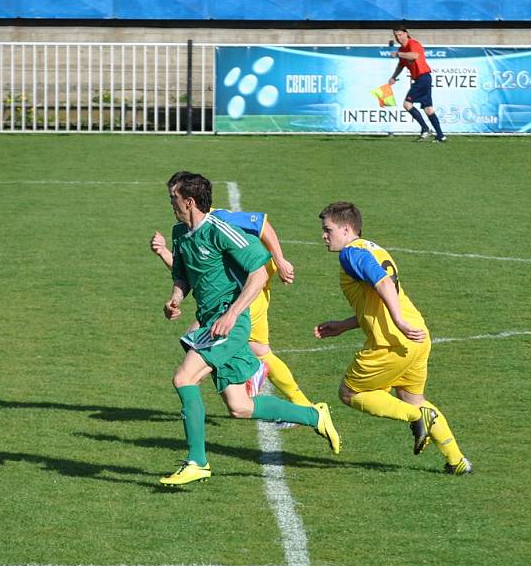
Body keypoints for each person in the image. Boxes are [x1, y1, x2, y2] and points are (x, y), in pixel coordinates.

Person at [158, 171, 340, 486]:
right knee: (239, 407)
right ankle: (315, 415)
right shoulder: (179, 232)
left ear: (189, 201)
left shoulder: (220, 229)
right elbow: (182, 274)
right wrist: (175, 298)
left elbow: (259, 272)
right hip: (211, 320)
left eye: (173, 197)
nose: (169, 202)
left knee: (183, 378)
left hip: (229, 324)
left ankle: (197, 462)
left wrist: (232, 314)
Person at [314, 202, 471, 475]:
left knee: (350, 393)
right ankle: (457, 461)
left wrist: (397, 321)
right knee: (413, 399)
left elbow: (384, 284)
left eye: (328, 230)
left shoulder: (351, 253)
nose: (324, 236)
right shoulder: (374, 248)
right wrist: (345, 325)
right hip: (417, 336)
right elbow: (377, 301)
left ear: (346, 228)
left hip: (392, 344)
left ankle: (416, 418)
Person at [150, 210, 313, 409]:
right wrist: (164, 252)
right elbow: (195, 271)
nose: (172, 204)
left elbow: (262, 224)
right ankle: (301, 403)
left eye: (175, 197)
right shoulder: (187, 230)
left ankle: (250, 373)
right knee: (258, 349)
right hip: (237, 291)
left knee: (199, 338)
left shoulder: (220, 219)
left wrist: (280, 260)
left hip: (246, 290)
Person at [389, 27, 447, 143]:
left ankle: (425, 129)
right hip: (422, 79)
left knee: (407, 104)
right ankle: (440, 136)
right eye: (396, 36)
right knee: (428, 109)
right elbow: (401, 65)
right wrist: (394, 77)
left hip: (423, 77)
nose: (398, 38)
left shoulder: (413, 43)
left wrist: (398, 54)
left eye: (400, 35)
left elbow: (414, 56)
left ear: (406, 34)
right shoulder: (402, 48)